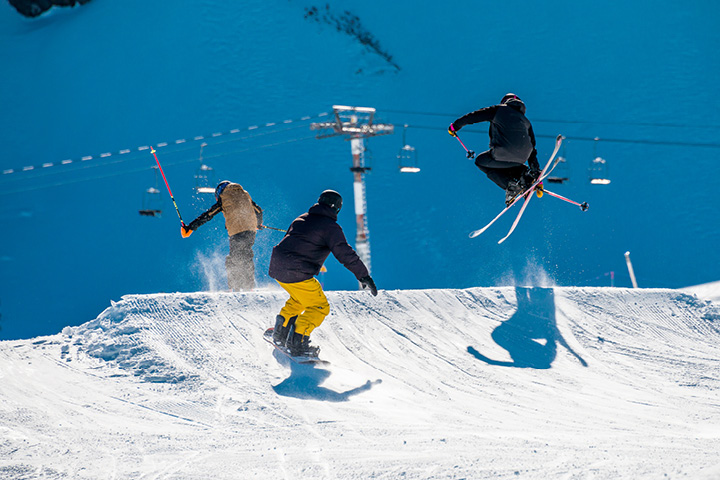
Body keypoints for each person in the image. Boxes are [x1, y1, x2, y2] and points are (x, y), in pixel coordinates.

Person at [268, 190, 377, 356]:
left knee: (300, 299)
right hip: (296, 271)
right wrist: (363, 275)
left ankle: (280, 332)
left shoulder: (301, 218)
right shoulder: (331, 227)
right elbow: (344, 252)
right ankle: (298, 342)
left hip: (278, 267)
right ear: (337, 209)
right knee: (319, 307)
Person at [449, 93, 541, 205]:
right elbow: (532, 147)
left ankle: (511, 186)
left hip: (502, 153)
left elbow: (475, 116)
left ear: (504, 102)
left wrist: (456, 125)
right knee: (510, 163)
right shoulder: (526, 121)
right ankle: (525, 178)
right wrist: (536, 172)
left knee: (481, 161)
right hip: (522, 158)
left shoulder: (499, 110)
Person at [181, 180, 263, 291]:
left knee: (234, 258)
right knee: (246, 254)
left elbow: (209, 214)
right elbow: (258, 210)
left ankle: (235, 287)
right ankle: (248, 286)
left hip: (236, 231)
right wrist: (258, 223)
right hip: (250, 231)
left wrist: (190, 227)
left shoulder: (224, 197)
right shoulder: (245, 194)